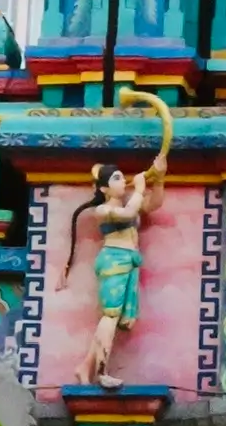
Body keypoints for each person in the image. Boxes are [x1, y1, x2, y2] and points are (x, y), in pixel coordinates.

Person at [58, 91, 172, 389]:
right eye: (118, 178)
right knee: (109, 317)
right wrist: (139, 188)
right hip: (113, 263)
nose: (125, 181)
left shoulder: (124, 204)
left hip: (128, 263)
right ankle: (102, 371)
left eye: (124, 177)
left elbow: (153, 204)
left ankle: (85, 368)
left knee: (117, 319)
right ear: (106, 188)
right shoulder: (104, 209)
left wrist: (159, 178)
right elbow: (131, 210)